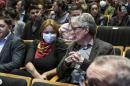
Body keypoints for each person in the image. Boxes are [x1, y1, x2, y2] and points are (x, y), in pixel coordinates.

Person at [57, 13, 114, 85]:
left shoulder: (105, 48)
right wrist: (66, 63)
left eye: (74, 29)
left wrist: (83, 63)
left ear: (86, 30)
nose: (71, 32)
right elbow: (59, 73)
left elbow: (104, 76)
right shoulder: (73, 46)